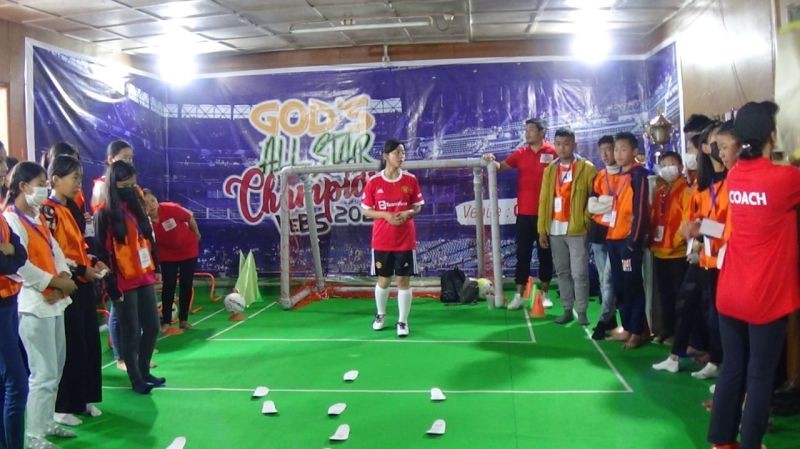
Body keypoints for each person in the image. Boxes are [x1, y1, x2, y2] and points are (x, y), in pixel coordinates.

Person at [708, 101, 800, 449]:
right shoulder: (784, 178)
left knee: (733, 369)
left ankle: (721, 439)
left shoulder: (736, 175)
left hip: (731, 291)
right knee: (760, 376)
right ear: (771, 136)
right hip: (765, 296)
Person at [4, 162, 79, 449]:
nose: (45, 187)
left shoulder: (36, 216)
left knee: (56, 368)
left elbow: (55, 250)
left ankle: (47, 422)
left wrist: (63, 275)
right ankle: (33, 435)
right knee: (42, 372)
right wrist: (54, 283)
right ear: (23, 186)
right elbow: (20, 266)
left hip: (54, 301)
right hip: (32, 304)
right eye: (40, 182)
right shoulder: (11, 219)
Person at [43, 155, 104, 426]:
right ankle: (62, 405)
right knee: (69, 346)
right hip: (63, 286)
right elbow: (52, 252)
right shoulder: (48, 210)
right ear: (54, 179)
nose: (79, 183)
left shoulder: (71, 209)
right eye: (74, 178)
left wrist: (92, 262)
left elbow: (79, 246)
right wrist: (80, 270)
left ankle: (84, 398)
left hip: (82, 284)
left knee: (89, 343)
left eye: (80, 177)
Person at [94, 161, 162, 394]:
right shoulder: (104, 213)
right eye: (126, 184)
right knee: (130, 330)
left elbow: (148, 239)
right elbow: (101, 252)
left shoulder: (137, 205)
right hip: (122, 279)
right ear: (114, 184)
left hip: (144, 275)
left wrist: (157, 268)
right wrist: (110, 284)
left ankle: (144, 370)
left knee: (152, 326)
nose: (132, 188)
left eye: (134, 183)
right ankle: (135, 379)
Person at [482, 118, 556, 309]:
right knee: (522, 255)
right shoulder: (520, 153)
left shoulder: (552, 152)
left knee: (545, 255)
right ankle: (519, 295)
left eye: (531, 130)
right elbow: (501, 167)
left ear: (542, 132)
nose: (527, 133)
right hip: (524, 214)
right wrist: (491, 160)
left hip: (546, 214)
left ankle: (545, 294)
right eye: (526, 130)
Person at [362, 139, 424, 338]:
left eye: (403, 153)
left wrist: (408, 214)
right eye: (397, 153)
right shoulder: (374, 182)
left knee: (403, 280)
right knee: (384, 279)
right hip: (382, 240)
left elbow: (418, 206)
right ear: (385, 156)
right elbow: (366, 211)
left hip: (405, 239)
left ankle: (403, 322)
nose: (401, 156)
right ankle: (380, 315)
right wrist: (386, 216)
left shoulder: (410, 180)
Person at [536, 128, 596, 325]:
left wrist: (585, 219)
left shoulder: (587, 168)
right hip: (554, 229)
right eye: (558, 144)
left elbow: (593, 198)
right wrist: (542, 229)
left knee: (579, 273)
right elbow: (544, 200)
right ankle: (567, 309)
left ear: (574, 144)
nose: (562, 148)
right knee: (562, 272)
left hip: (576, 229)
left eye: (567, 144)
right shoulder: (550, 170)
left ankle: (583, 312)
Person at [684, 122, 727, 380]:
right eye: (713, 143)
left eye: (720, 143)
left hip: (728, 259)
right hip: (707, 258)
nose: (715, 148)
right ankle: (716, 359)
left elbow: (729, 226)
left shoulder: (734, 180)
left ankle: (725, 368)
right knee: (712, 314)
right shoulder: (705, 183)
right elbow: (697, 217)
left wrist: (701, 227)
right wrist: (695, 241)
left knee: (723, 318)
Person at [90, 140, 134, 371]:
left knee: (129, 309)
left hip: (130, 258)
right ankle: (120, 357)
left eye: (130, 158)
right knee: (118, 307)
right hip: (112, 257)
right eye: (123, 157)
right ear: (110, 160)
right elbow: (102, 225)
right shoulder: (101, 188)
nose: (128, 162)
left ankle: (133, 353)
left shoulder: (129, 187)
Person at [605, 132, 649, 349]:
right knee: (620, 286)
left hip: (628, 241)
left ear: (634, 152)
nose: (618, 154)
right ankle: (628, 326)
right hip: (613, 238)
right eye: (616, 149)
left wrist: (634, 241)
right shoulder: (619, 176)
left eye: (623, 149)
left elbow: (641, 211)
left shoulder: (638, 175)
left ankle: (638, 331)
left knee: (632, 286)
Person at [143, 189, 201, 334]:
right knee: (169, 285)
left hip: (188, 250)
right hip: (167, 255)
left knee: (186, 284)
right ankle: (167, 321)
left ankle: (183, 320)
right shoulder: (143, 221)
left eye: (153, 200)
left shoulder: (170, 208)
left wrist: (196, 233)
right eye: (146, 203)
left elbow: (189, 217)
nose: (151, 205)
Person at [649, 151, 691, 344]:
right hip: (659, 251)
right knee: (664, 294)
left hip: (677, 253)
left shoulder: (686, 190)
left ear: (681, 167)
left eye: (671, 163)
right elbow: (654, 218)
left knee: (679, 296)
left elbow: (686, 220)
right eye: (663, 164)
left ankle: (679, 335)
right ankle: (667, 329)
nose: (667, 168)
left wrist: (676, 242)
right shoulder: (660, 192)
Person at [0, 188, 30, 449]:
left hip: (9, 302)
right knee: (18, 386)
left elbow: (19, 254)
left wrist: (11, 250)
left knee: (9, 383)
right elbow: (5, 262)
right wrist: (9, 253)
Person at [587, 135, 622, 339]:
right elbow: (591, 206)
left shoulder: (626, 175)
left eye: (610, 149)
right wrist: (611, 202)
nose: (607, 155)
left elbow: (622, 205)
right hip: (599, 234)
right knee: (604, 279)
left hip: (619, 234)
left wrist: (605, 202)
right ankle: (609, 320)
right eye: (603, 151)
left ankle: (602, 320)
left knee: (610, 278)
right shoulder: (599, 177)